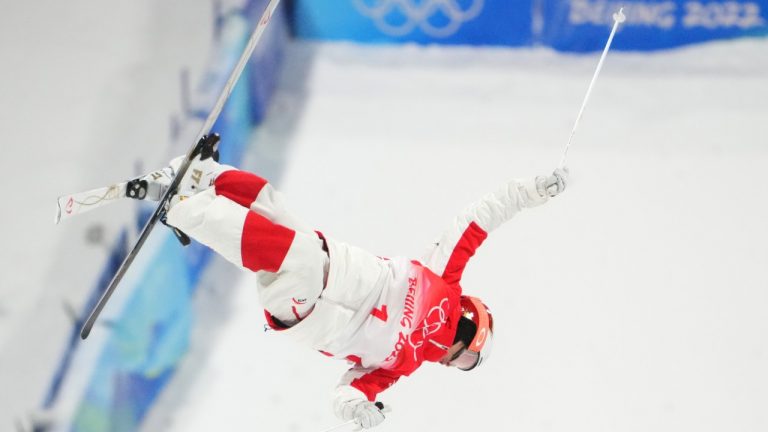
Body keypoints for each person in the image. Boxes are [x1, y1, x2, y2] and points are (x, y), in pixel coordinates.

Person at [134, 134, 568, 429]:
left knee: (295, 257)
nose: (455, 365)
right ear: (471, 329)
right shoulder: (444, 280)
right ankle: (201, 179)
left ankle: (184, 209)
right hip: (330, 261)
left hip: (307, 308)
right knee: (273, 209)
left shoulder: (402, 367)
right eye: (466, 360)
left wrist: (358, 410)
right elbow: (479, 219)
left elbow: (345, 393)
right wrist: (531, 192)